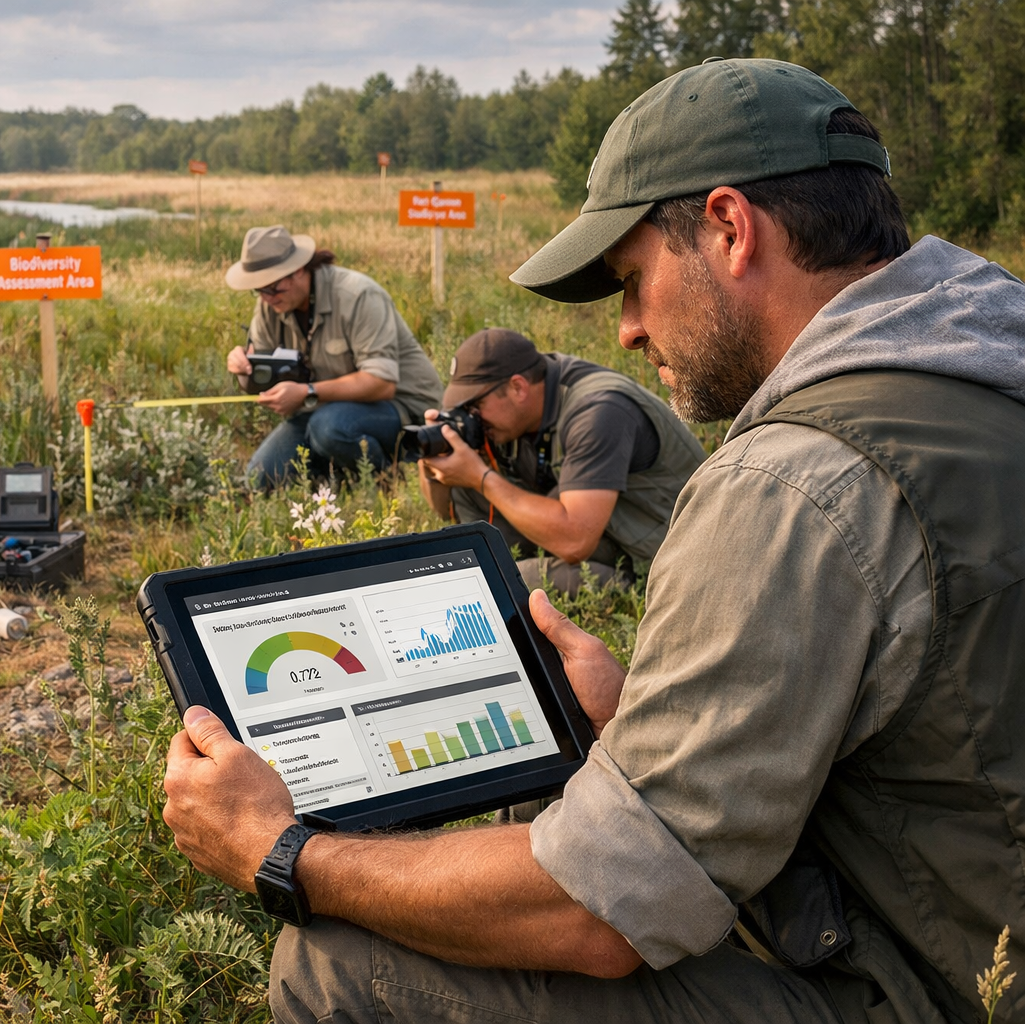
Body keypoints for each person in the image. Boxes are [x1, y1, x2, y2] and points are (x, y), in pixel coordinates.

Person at [163, 57, 1025, 1024]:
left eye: (632, 279)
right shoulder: (981, 374)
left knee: (333, 963)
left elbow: (600, 918)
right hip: (967, 916)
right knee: (564, 783)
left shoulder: (798, 482)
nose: (624, 328)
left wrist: (281, 850)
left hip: (939, 986)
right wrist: (645, 719)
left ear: (732, 230)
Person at [417, 328, 703, 594]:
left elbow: (575, 541)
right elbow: (445, 511)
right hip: (603, 529)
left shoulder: (599, 412)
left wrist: (481, 477)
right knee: (487, 559)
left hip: (660, 559)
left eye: (474, 406)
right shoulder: (522, 408)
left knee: (508, 582)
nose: (471, 416)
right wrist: (434, 461)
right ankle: (485, 566)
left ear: (518, 388)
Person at [224, 226, 442, 488]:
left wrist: (305, 392)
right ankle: (336, 479)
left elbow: (382, 383)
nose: (266, 298)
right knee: (260, 479)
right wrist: (243, 370)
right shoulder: (271, 303)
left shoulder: (358, 295)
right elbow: (260, 381)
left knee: (329, 429)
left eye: (272, 288)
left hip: (402, 408)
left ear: (298, 270)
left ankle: (387, 482)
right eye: (258, 290)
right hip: (322, 409)